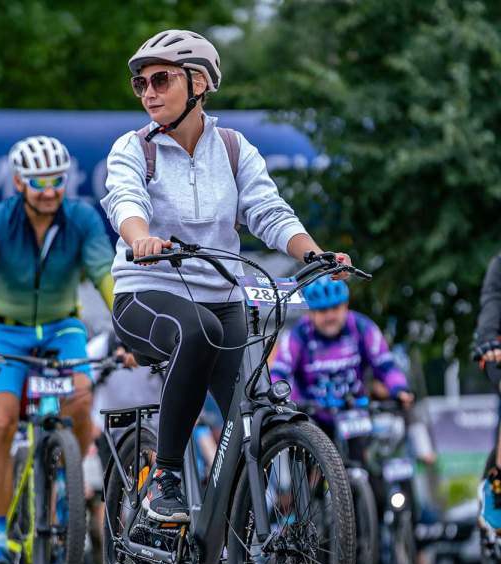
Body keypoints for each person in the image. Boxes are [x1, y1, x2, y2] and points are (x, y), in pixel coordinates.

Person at [101, 30, 350, 533]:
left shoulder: (234, 149)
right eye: (140, 83)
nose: (147, 91)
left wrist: (314, 252)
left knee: (247, 416)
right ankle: (166, 478)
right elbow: (123, 201)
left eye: (160, 79)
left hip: (222, 296)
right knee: (197, 333)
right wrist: (141, 236)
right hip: (147, 293)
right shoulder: (134, 149)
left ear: (199, 84)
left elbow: (268, 211)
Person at [0, 135, 115, 564]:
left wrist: (132, 328)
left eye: (58, 180)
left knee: (81, 397)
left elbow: (105, 275)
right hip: (3, 330)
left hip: (63, 328)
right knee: (1, 419)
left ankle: (67, 476)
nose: (50, 190)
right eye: (40, 181)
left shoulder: (81, 219)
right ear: (20, 183)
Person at [272, 276, 414, 420]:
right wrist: (274, 397)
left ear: (346, 305)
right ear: (310, 313)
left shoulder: (362, 327)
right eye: (322, 310)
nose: (330, 316)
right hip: (313, 419)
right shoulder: (297, 334)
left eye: (335, 307)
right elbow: (279, 371)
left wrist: (399, 389)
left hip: (356, 413)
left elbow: (386, 366)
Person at [473, 252, 501, 531]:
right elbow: (492, 309)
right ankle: (497, 489)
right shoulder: (499, 265)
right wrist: (489, 343)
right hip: (498, 351)